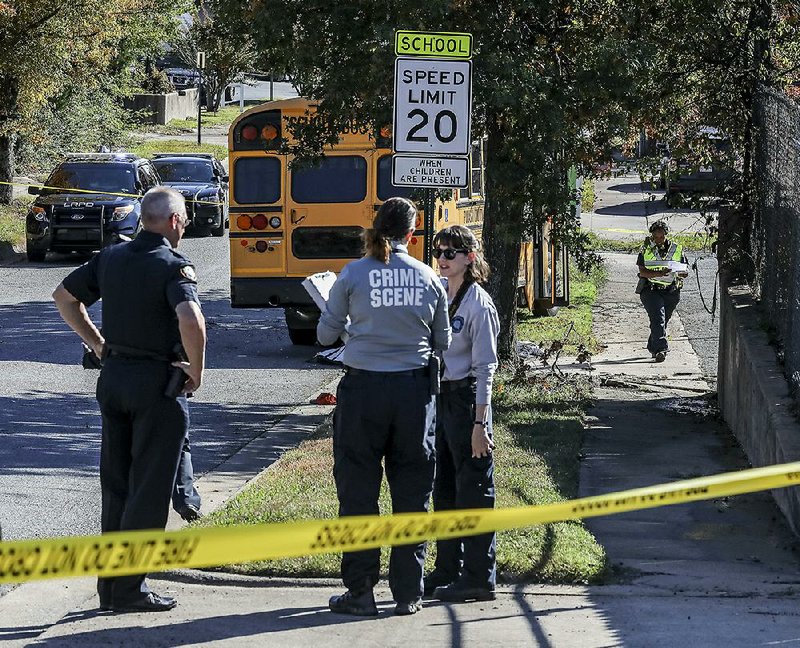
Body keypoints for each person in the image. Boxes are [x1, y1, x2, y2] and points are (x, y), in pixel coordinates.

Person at [52, 186, 206, 613]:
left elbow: (64, 297)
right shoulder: (174, 266)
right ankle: (131, 589)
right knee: (149, 490)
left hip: (115, 378)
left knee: (116, 486)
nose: (186, 225)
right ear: (174, 221)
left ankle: (111, 589)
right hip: (157, 384)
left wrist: (98, 344)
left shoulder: (110, 258)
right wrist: (196, 369)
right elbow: (191, 317)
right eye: (185, 219)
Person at [317, 196, 451, 617]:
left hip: (363, 394)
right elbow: (442, 341)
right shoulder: (429, 277)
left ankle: (360, 591)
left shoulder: (353, 274)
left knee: (358, 492)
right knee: (413, 491)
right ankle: (408, 592)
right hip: (414, 395)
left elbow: (324, 337)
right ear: (413, 234)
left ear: (374, 228)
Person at [423, 225, 500, 603]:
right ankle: (446, 568)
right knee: (445, 489)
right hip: (442, 396)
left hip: (468, 399)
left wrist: (479, 424)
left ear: (470, 258)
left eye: (450, 253)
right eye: (438, 251)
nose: (442, 258)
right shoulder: (440, 293)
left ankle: (478, 577)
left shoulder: (478, 303)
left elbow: (486, 367)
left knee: (474, 491)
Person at [636, 220, 689, 362]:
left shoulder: (676, 249)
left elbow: (684, 268)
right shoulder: (646, 249)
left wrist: (683, 273)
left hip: (671, 291)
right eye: (656, 237)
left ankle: (653, 345)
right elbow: (642, 272)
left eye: (661, 236)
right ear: (652, 236)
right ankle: (661, 350)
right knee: (658, 318)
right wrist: (658, 274)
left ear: (666, 235)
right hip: (651, 290)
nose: (659, 240)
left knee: (663, 320)